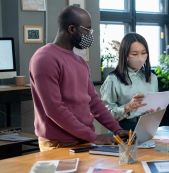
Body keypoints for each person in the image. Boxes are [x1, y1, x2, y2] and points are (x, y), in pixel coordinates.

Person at [29, 6, 126, 151]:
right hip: (58, 144)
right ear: (72, 29)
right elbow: (54, 109)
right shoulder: (44, 58)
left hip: (84, 140)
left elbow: (93, 102)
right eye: (87, 29)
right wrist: (94, 137)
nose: (90, 34)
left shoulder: (80, 62)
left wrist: (117, 129)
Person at [100, 33, 158, 131]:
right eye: (134, 54)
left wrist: (155, 110)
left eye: (143, 53)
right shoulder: (113, 80)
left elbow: (156, 105)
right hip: (123, 130)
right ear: (125, 54)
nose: (140, 58)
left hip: (149, 127)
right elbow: (105, 115)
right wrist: (127, 107)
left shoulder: (152, 78)